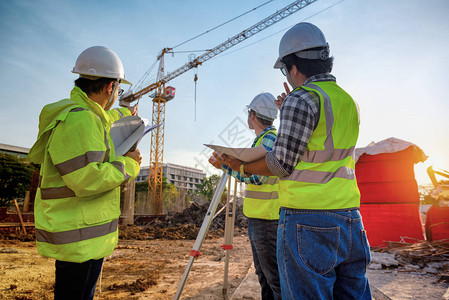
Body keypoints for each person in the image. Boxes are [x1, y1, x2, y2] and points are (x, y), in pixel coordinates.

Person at [220, 22, 371, 299]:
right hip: (350, 217)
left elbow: (280, 164)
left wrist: (239, 166)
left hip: (308, 220)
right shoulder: (348, 101)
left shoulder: (301, 99)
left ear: (292, 68)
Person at [27, 46, 142, 300]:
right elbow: (86, 179)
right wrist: (130, 164)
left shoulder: (86, 116)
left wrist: (124, 113)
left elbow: (103, 119)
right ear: (110, 88)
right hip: (78, 239)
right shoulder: (80, 120)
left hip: (83, 235)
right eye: (118, 90)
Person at [209, 93, 282, 300]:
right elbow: (250, 172)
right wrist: (229, 164)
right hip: (260, 218)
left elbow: (258, 177)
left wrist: (227, 165)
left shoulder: (269, 139)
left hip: (268, 219)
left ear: (252, 115)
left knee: (274, 279)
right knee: (265, 277)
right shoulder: (261, 139)